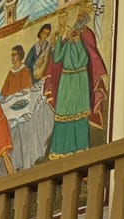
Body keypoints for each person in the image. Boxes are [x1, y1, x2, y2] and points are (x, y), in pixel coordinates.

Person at [44, 0, 109, 156]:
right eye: (78, 16)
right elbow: (58, 57)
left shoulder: (86, 34)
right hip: (66, 81)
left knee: (79, 115)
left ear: (85, 19)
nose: (78, 19)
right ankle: (60, 150)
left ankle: (80, 148)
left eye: (81, 16)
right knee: (63, 115)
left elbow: (84, 60)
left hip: (80, 79)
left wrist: (78, 42)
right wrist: (59, 40)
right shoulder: (69, 37)